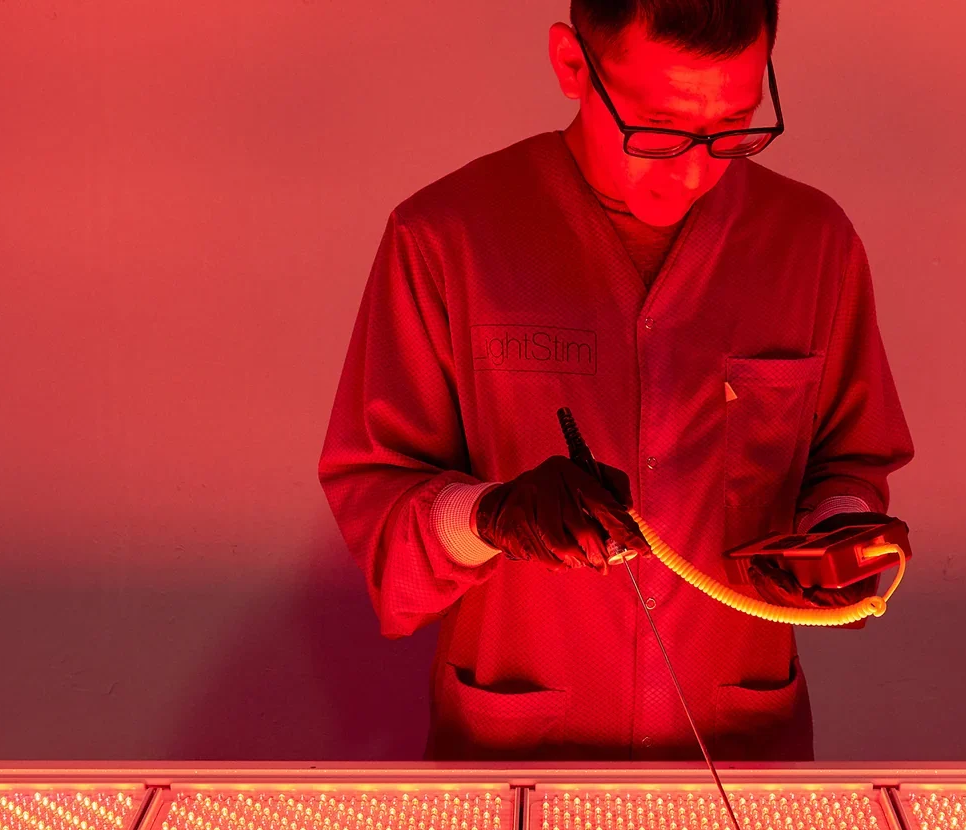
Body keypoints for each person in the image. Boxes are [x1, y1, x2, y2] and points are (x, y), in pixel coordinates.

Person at [318, 0, 913, 760]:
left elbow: (850, 463)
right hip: (517, 759)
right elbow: (382, 521)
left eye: (734, 125)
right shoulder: (444, 240)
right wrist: (492, 514)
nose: (697, 171)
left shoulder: (813, 244)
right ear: (572, 65)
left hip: (742, 752)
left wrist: (838, 529)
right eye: (659, 130)